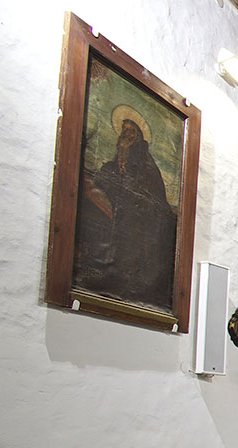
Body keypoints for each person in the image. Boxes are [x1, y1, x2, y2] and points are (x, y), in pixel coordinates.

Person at [75, 109, 177, 310]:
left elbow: (149, 193)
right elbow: (112, 178)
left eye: (131, 130)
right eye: (124, 129)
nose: (126, 134)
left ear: (138, 136)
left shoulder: (147, 166)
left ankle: (129, 279)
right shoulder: (118, 159)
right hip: (122, 212)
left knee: (132, 250)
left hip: (141, 218)